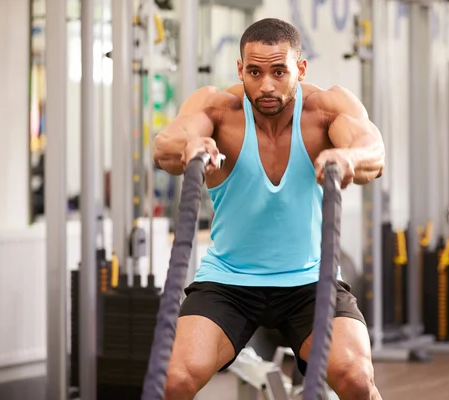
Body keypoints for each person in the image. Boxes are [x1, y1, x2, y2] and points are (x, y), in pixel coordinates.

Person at [153, 17, 385, 400]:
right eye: (255, 72)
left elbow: (373, 152)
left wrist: (347, 158)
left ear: (300, 69)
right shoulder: (218, 110)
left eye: (279, 71)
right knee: (173, 380)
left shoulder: (325, 110)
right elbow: (166, 144)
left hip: (310, 282)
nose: (267, 85)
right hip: (229, 281)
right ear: (241, 69)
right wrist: (190, 148)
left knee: (357, 378)